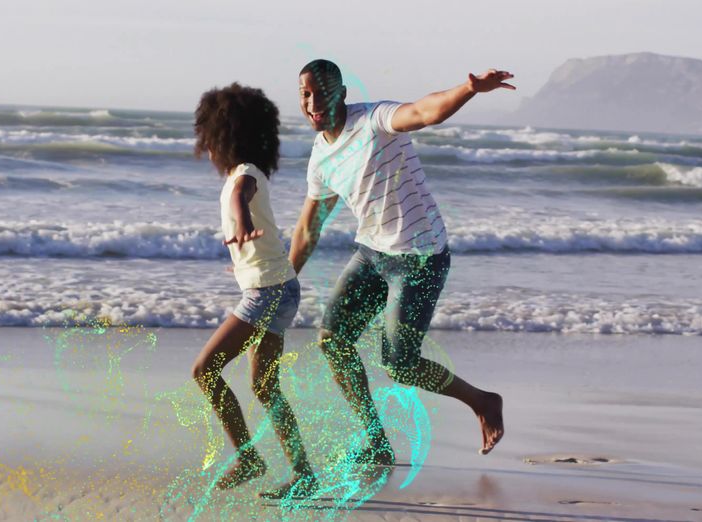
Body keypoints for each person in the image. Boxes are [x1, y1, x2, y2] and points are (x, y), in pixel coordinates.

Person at [289, 60, 515, 464]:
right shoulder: (321, 156)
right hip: (373, 253)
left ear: (341, 91)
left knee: (400, 365)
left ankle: (482, 400)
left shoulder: (375, 120)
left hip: (420, 257)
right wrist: (284, 280)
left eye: (321, 92)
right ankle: (376, 440)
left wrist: (469, 90)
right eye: (305, 94)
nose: (312, 103)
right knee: (332, 339)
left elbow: (424, 111)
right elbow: (309, 228)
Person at [190, 83, 318, 499]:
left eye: (208, 138)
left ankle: (249, 458)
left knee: (204, 371)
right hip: (278, 285)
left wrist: (242, 218)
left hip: (268, 291)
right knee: (265, 386)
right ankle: (303, 474)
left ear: (223, 137)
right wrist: (243, 258)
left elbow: (242, 198)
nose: (206, 147)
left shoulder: (244, 174)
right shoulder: (245, 172)